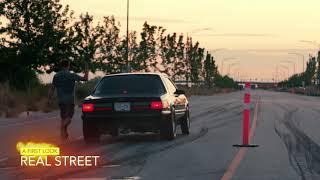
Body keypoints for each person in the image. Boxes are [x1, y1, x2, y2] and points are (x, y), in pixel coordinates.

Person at [48, 60, 89, 140]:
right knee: (69, 117)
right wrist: (86, 68)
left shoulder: (56, 76)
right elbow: (85, 79)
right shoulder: (71, 75)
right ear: (68, 65)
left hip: (61, 100)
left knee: (63, 117)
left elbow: (52, 88)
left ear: (61, 66)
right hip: (70, 100)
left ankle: (63, 134)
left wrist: (49, 99)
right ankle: (62, 128)